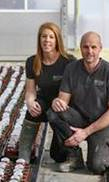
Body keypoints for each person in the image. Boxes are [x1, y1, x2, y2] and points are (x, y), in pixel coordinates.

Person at [47, 31, 109, 174]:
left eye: (93, 47)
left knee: (98, 167)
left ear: (100, 48)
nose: (89, 51)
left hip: (101, 124)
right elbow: (63, 100)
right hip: (79, 118)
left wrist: (85, 132)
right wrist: (56, 102)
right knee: (53, 113)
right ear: (80, 48)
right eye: (85, 47)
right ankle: (74, 155)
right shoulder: (72, 69)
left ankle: (93, 144)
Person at [18, 22, 76, 163]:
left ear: (57, 40)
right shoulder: (32, 61)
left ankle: (71, 151)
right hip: (44, 102)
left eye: (51, 37)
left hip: (62, 107)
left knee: (58, 156)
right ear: (39, 39)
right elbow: (30, 90)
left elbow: (74, 91)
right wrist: (30, 102)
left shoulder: (68, 62)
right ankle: (23, 155)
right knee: (32, 111)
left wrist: (61, 102)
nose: (47, 40)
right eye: (44, 36)